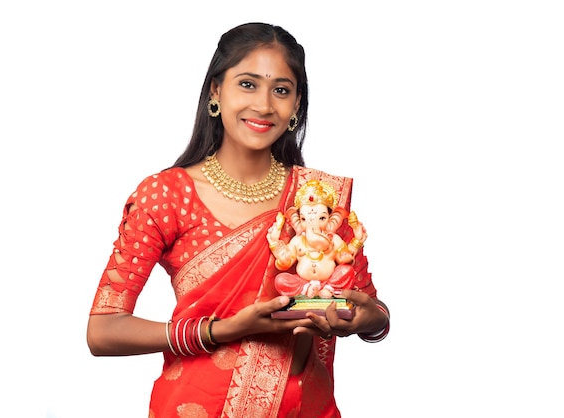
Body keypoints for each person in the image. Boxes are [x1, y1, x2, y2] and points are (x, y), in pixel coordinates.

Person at [87, 22, 390, 418]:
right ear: (216, 91)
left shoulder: (317, 198)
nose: (264, 105)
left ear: (297, 105)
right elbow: (103, 331)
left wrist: (365, 320)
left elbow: (374, 311)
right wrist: (223, 329)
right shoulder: (167, 194)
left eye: (281, 90)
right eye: (247, 84)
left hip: (308, 408)